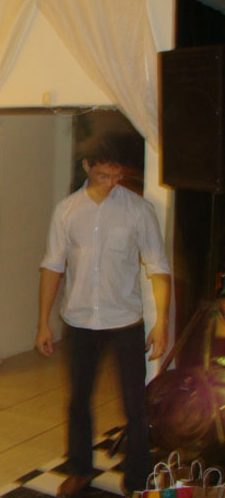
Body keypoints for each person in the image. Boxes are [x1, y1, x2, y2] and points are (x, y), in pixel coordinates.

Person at [34, 133, 171, 497]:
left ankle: (138, 478)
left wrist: (161, 323)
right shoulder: (67, 210)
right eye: (102, 175)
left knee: (134, 404)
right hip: (79, 321)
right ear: (86, 167)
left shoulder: (138, 210)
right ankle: (80, 469)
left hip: (125, 320)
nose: (111, 183)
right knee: (79, 400)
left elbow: (159, 268)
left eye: (116, 175)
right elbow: (52, 266)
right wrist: (43, 322)